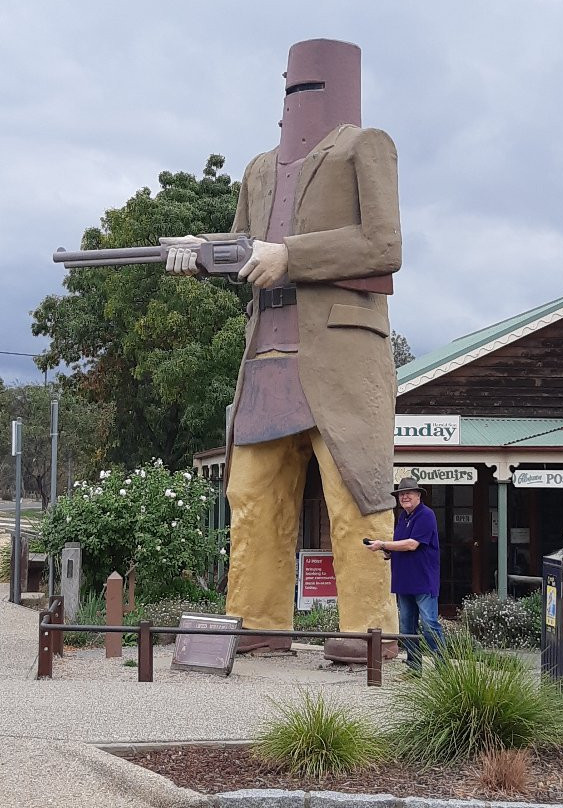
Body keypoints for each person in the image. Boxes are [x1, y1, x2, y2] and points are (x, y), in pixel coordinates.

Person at [164, 39, 401, 664]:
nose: (297, 97)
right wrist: (198, 252)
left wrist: (292, 256)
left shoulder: (364, 145)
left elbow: (383, 246)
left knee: (357, 498)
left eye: (306, 85)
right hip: (265, 361)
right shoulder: (258, 169)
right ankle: (260, 621)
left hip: (341, 360)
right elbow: (245, 251)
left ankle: (370, 634)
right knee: (252, 498)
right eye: (292, 85)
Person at [366, 477, 445, 673]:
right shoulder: (403, 517)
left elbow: (412, 544)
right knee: (407, 628)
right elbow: (402, 545)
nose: (405, 496)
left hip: (423, 581)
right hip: (404, 582)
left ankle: (444, 670)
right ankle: (414, 667)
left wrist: (383, 544)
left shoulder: (426, 515)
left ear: (419, 495)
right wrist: (388, 552)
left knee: (429, 625)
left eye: (409, 493)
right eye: (401, 494)